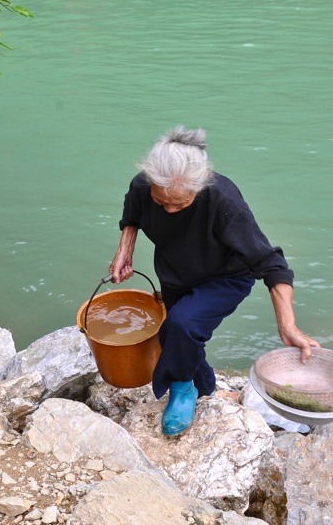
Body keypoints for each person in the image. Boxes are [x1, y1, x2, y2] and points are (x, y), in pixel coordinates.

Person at [109, 126, 320, 436]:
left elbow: (271, 264)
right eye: (161, 201)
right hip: (176, 271)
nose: (168, 209)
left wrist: (287, 326)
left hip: (226, 276)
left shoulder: (224, 202)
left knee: (181, 325)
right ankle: (206, 388)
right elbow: (133, 216)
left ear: (201, 186)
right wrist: (124, 252)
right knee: (178, 335)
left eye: (179, 205)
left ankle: (182, 391)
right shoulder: (143, 187)